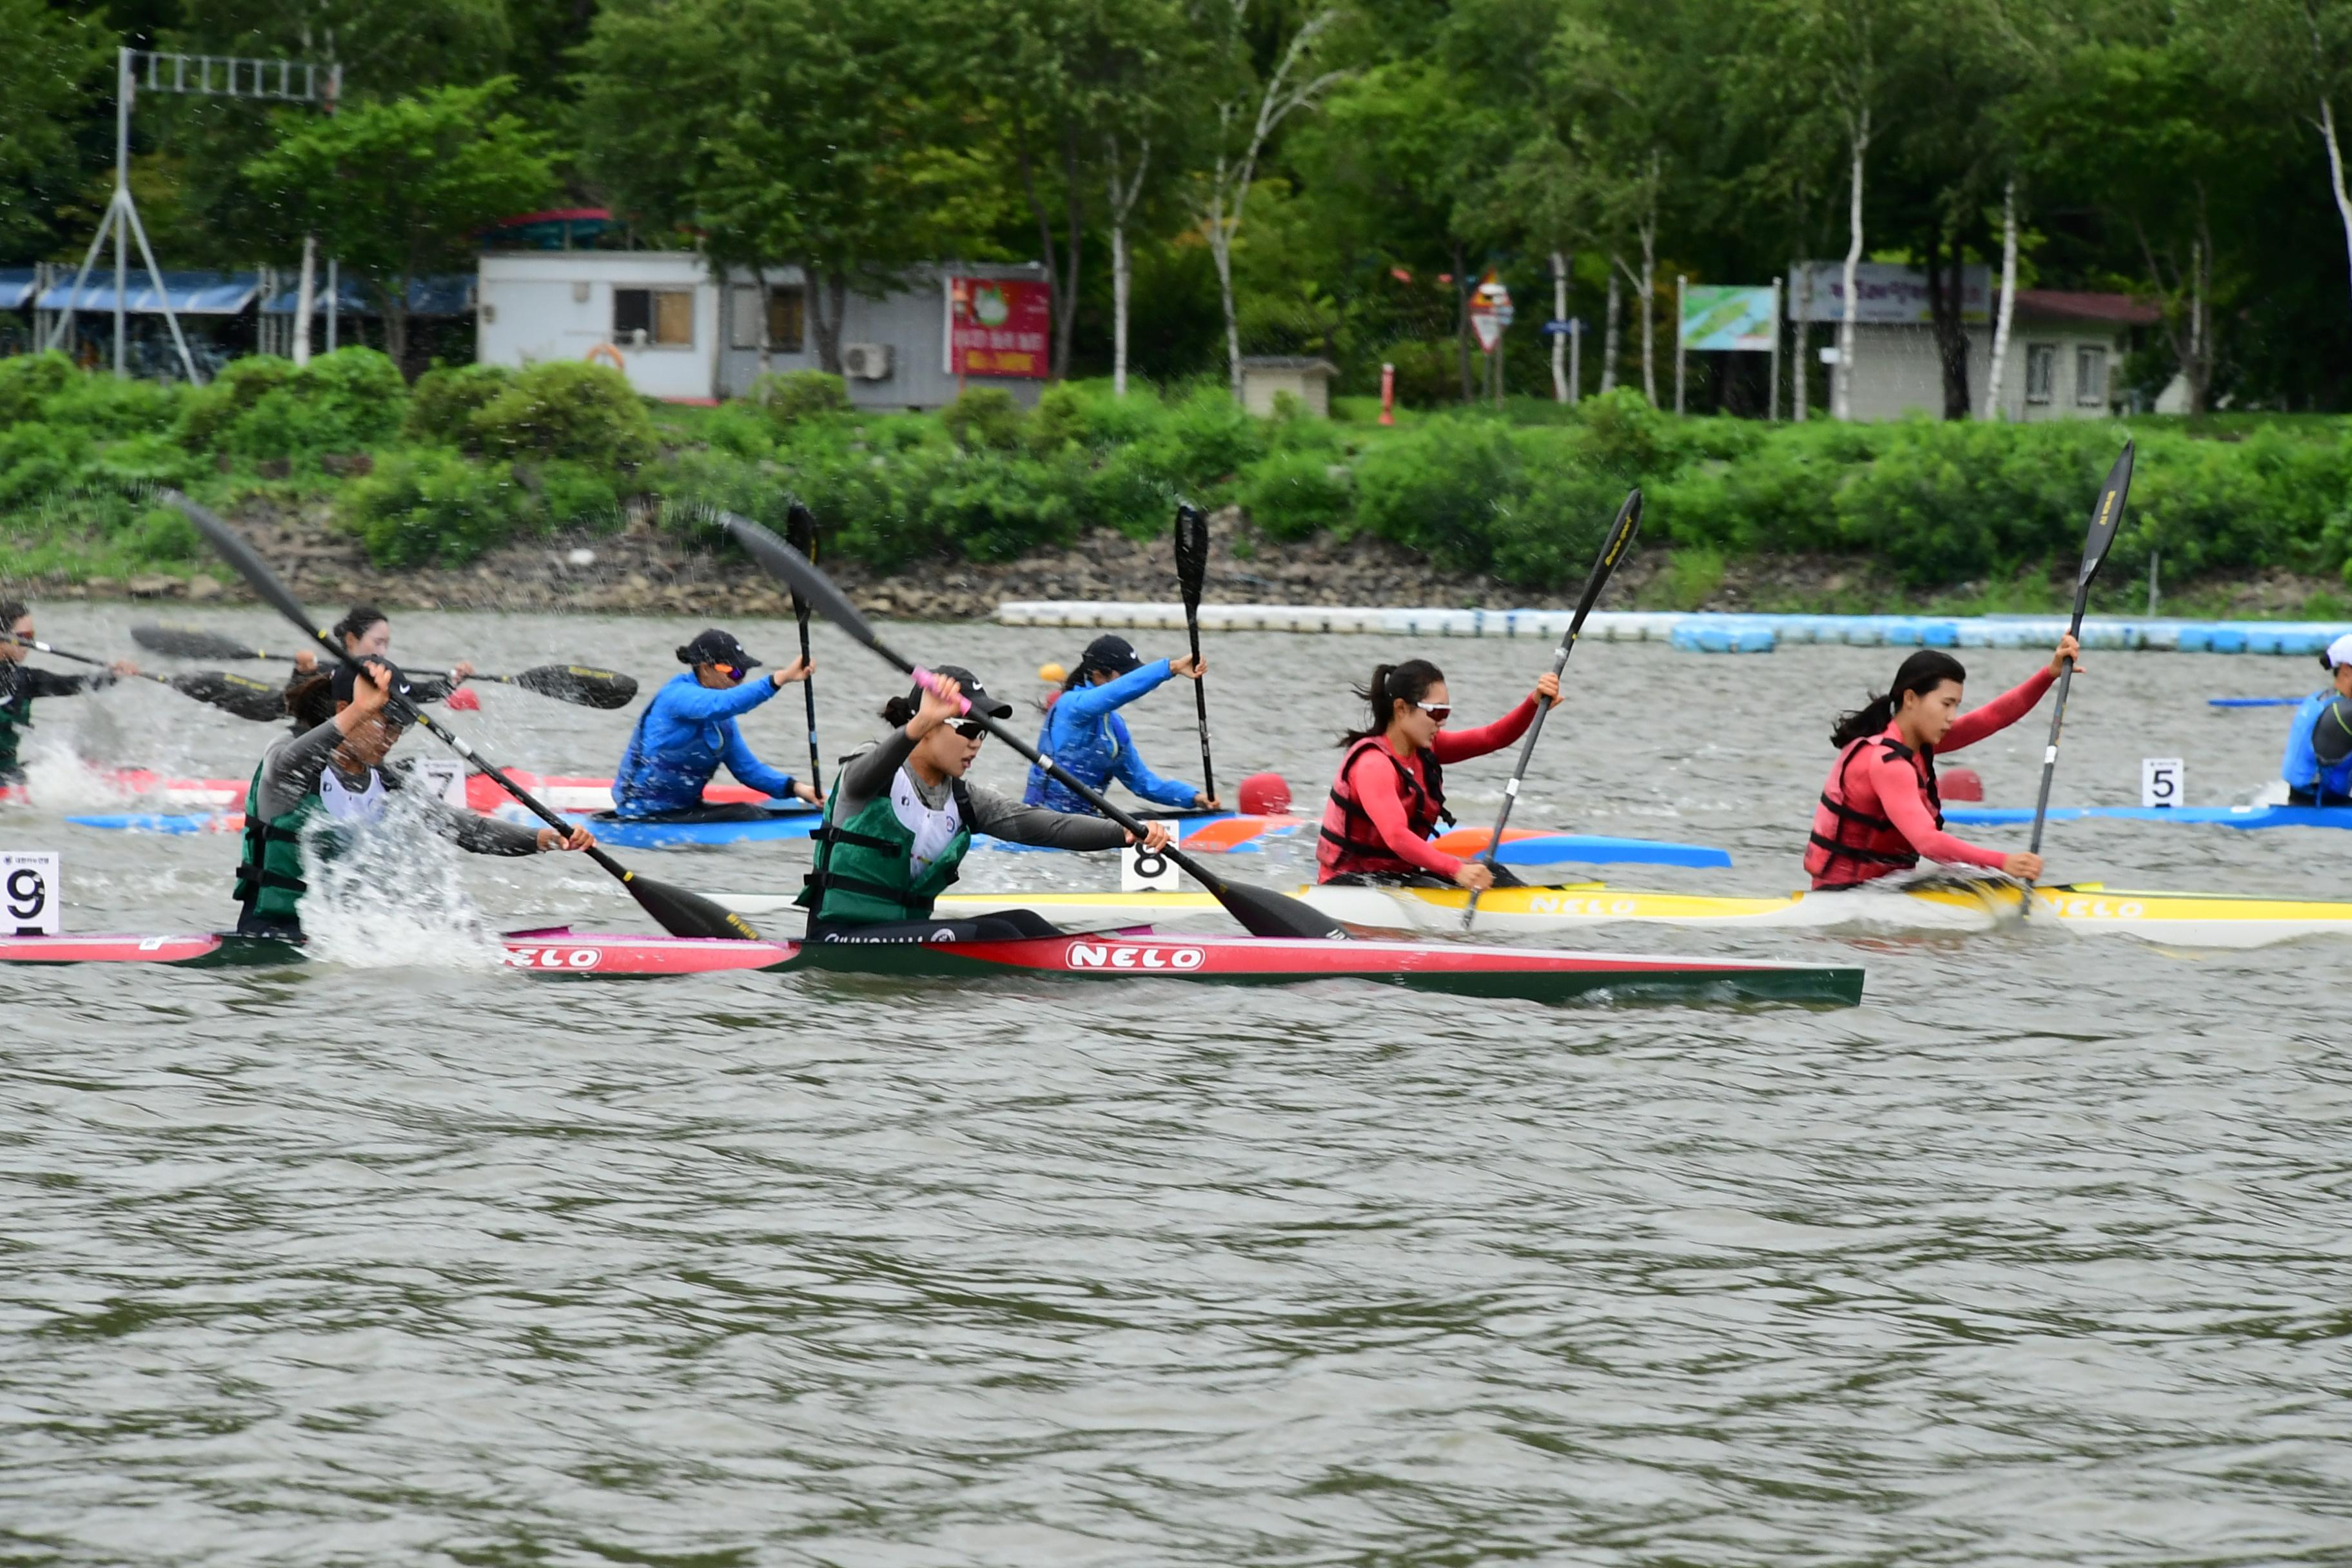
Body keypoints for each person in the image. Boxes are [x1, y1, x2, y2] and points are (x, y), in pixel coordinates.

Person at [798, 665, 1175, 942]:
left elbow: (1047, 826)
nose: (977, 742)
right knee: (995, 933)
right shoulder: (873, 768)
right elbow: (861, 776)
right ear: (927, 727)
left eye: (984, 731)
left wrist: (1124, 832)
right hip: (838, 934)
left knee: (1024, 922)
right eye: (968, 728)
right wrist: (919, 724)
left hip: (897, 933)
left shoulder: (964, 800)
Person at [235, 658, 594, 939]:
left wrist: (544, 839)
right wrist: (360, 710)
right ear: (345, 706)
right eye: (384, 722)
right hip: (274, 933)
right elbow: (285, 762)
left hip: (347, 936)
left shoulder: (386, 780)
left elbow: (465, 830)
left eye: (400, 726)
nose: (392, 736)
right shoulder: (289, 762)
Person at [1806, 638, 2081, 890]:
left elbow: (1994, 717)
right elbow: (1928, 842)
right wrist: (2004, 862)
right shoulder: (1887, 762)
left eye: (1957, 706)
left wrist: (2050, 673)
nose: (1952, 717)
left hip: (1885, 889)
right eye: (1946, 704)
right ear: (1911, 699)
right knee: (1987, 880)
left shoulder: (1918, 746)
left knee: (1977, 880)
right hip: (1847, 895)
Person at [1315, 658, 1563, 890]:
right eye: (1436, 712)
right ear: (1401, 708)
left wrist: (1533, 703)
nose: (1441, 722)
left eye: (1446, 713)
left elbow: (1492, 738)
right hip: (1350, 884)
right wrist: (1454, 869)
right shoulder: (1373, 765)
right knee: (1463, 876)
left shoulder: (1424, 750)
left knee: (1492, 873)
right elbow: (1396, 835)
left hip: (1397, 877)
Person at [609, 629, 820, 822]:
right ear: (706, 668)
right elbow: (724, 703)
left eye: (743, 674)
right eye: (734, 673)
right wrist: (781, 678)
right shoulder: (676, 697)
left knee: (750, 811)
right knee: (746, 813)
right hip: (639, 813)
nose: (739, 681)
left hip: (683, 811)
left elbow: (748, 770)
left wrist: (799, 789)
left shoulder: (723, 721)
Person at [1023, 634, 1219, 815]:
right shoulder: (1071, 706)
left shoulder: (1114, 729)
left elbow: (1143, 783)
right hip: (1040, 824)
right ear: (1098, 675)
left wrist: (1193, 798)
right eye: (1126, 675)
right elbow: (1117, 692)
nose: (1131, 681)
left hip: (1084, 827)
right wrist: (1171, 668)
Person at [1, 600, 137, 786]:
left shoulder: (26, 680)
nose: (29, 643)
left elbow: (74, 684)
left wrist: (112, 675)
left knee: (77, 762)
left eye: (32, 636)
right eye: (24, 636)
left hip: (8, 775)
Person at [288, 604, 469, 725]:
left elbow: (414, 693)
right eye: (377, 642)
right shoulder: (325, 675)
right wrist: (301, 673)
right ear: (351, 639)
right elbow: (284, 703)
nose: (382, 652)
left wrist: (452, 681)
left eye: (386, 645)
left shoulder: (384, 678)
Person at [2280, 632, 2352, 807]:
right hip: (2323, 807)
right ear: (2346, 670)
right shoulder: (2343, 713)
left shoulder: (2322, 698)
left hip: (2301, 801)